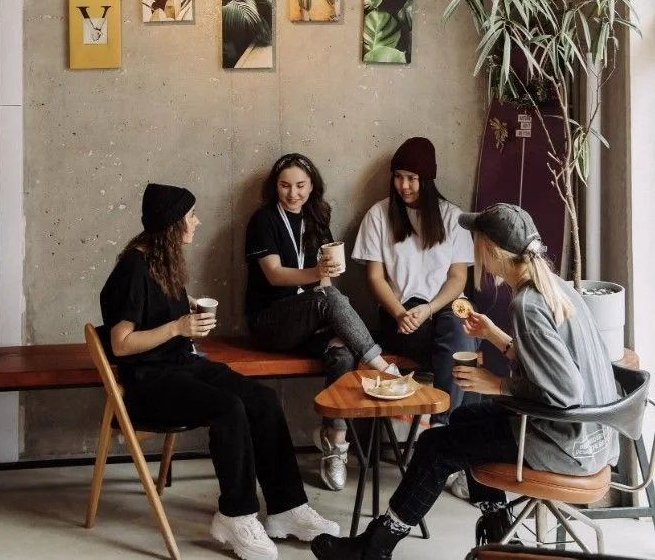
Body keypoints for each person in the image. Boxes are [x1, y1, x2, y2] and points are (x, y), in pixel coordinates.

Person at [311, 202, 620, 560]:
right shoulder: (556, 287)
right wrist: (494, 336)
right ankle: (497, 525)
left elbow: (565, 392)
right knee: (462, 418)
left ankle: (375, 546)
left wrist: (497, 385)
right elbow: (557, 364)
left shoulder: (528, 305)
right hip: (592, 438)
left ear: (489, 250)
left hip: (562, 444)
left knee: (434, 446)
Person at [100, 182, 338, 560]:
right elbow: (120, 343)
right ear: (174, 224)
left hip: (181, 364)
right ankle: (236, 514)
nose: (196, 222)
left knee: (261, 399)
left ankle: (285, 508)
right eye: (190, 216)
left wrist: (185, 306)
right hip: (148, 383)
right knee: (228, 408)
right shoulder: (133, 268)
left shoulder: (163, 258)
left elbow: (157, 306)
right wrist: (178, 327)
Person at [245, 153, 401, 491]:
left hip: (310, 321)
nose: (293, 193)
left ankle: (336, 442)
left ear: (312, 185)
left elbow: (327, 285)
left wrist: (336, 325)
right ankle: (381, 367)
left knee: (342, 353)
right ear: (275, 187)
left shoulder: (317, 219)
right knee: (326, 298)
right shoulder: (264, 220)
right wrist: (318, 278)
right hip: (270, 322)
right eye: (285, 186)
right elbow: (273, 275)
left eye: (300, 185)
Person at [352, 137, 476, 423]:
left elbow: (458, 278)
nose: (403, 185)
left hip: (445, 307)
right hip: (402, 314)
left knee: (461, 328)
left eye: (412, 178)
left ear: (427, 179)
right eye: (398, 177)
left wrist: (430, 309)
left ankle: (440, 428)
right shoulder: (378, 215)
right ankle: (447, 434)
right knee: (462, 351)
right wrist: (400, 313)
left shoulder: (452, 217)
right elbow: (375, 277)